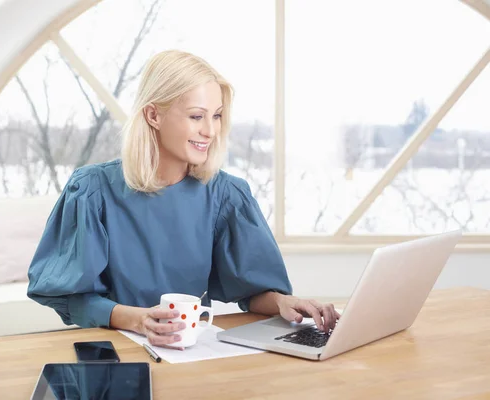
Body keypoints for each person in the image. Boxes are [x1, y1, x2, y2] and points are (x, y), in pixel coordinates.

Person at [27, 49, 340, 349]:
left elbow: (251, 291)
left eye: (216, 116)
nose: (210, 131)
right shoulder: (93, 191)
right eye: (196, 116)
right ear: (153, 115)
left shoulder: (227, 195)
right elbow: (71, 296)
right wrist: (137, 320)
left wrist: (284, 302)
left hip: (191, 353)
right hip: (115, 354)